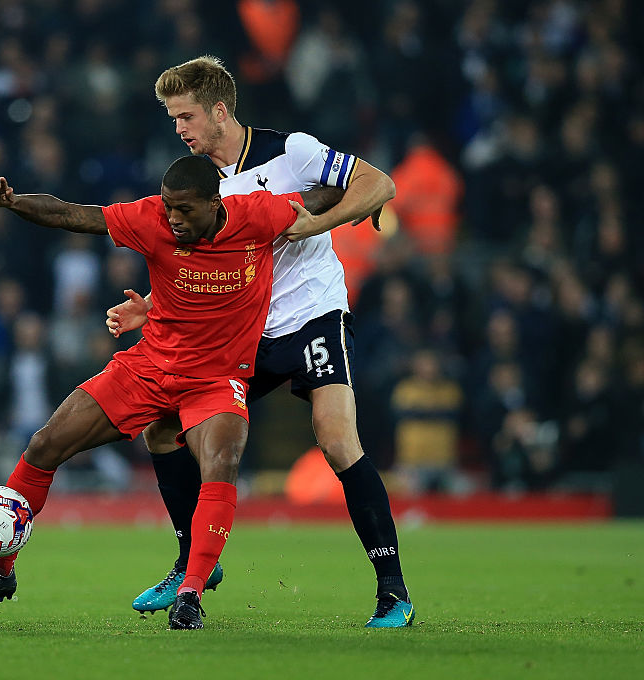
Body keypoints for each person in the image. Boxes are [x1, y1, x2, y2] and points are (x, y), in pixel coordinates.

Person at [0, 156, 344, 630]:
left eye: (184, 210)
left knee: (221, 465)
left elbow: (322, 198)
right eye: (169, 207)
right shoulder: (150, 217)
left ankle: (191, 592)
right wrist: (14, 203)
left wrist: (361, 189)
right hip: (147, 367)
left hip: (217, 378)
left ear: (216, 204)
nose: (173, 218)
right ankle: (0, 572)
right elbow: (74, 214)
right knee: (44, 445)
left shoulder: (257, 214)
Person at [105, 56, 413, 627]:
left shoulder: (290, 152)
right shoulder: (195, 187)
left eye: (187, 116)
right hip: (245, 329)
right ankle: (190, 563)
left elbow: (379, 183)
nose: (180, 129)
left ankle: (392, 591)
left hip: (313, 314)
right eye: (174, 119)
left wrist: (312, 224)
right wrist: (150, 308)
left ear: (220, 111)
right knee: (164, 428)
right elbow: (195, 264)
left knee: (336, 436)